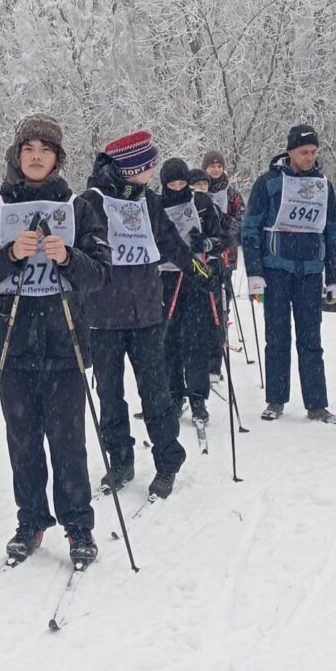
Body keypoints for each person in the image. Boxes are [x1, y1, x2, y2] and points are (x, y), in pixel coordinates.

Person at [0, 114, 111, 567]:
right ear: (17, 155)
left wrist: (68, 257)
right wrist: (9, 254)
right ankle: (30, 521)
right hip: (12, 340)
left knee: (68, 441)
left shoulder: (79, 208)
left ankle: (78, 526)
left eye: (45, 150)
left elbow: (100, 275)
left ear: (57, 158)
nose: (37, 156)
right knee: (22, 439)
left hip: (63, 339)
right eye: (29, 149)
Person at [79, 132, 215, 500]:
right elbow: (77, 254)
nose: (153, 170)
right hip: (103, 317)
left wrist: (202, 274)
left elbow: (173, 245)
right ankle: (120, 460)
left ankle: (168, 461)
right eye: (148, 165)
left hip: (146, 315)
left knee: (155, 392)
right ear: (130, 168)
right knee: (109, 394)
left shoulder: (150, 203)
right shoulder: (91, 201)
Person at [241, 123, 336, 423]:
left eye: (313, 152)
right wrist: (255, 272)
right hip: (275, 270)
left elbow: (333, 232)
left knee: (311, 339)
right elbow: (250, 229)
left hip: (311, 273)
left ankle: (317, 404)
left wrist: (334, 277)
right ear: (290, 152)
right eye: (304, 152)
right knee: (277, 337)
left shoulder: (324, 185)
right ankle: (276, 399)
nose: (310, 157)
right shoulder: (269, 183)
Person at [159, 158, 222, 425]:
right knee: (168, 339)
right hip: (165, 279)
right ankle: (174, 394)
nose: (177, 188)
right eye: (171, 184)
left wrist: (207, 243)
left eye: (182, 183)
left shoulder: (202, 203)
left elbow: (226, 236)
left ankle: (198, 396)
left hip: (196, 276)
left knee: (195, 339)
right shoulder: (155, 205)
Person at [201, 151, 246, 379]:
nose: (216, 169)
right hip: (201, 259)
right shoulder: (198, 190)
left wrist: (220, 219)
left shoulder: (231, 192)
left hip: (226, 259)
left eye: (219, 166)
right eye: (212, 166)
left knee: (220, 310)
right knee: (203, 311)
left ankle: (214, 363)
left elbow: (240, 224)